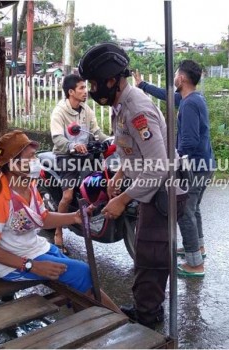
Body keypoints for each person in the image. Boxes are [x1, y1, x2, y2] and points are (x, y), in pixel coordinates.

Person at [78, 43, 187, 329]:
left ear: (111, 80)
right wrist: (120, 175)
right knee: (145, 252)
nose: (91, 89)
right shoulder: (121, 105)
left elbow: (158, 165)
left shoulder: (137, 109)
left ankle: (148, 319)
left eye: (93, 83)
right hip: (151, 185)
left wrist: (123, 198)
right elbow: (134, 150)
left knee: (150, 257)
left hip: (164, 189)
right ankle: (148, 308)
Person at [0, 130, 121, 313]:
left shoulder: (28, 185)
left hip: (36, 249)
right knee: (83, 273)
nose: (36, 162)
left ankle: (118, 320)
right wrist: (32, 266)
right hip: (14, 263)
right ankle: (117, 321)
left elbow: (43, 218)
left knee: (84, 280)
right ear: (13, 163)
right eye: (30, 157)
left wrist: (74, 217)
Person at [133, 60, 215, 277]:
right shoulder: (192, 98)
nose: (173, 80)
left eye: (176, 75)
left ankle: (194, 265)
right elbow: (166, 95)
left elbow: (189, 142)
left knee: (185, 212)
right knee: (193, 208)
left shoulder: (189, 104)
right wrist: (142, 85)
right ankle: (198, 249)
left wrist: (173, 161)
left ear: (182, 79)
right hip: (205, 165)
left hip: (194, 167)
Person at [50, 74, 108, 255]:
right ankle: (58, 232)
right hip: (66, 156)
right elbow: (58, 138)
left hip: (87, 153)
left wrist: (111, 141)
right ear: (70, 92)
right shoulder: (59, 111)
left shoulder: (86, 109)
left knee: (104, 181)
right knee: (67, 196)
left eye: (85, 87)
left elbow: (96, 132)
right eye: (82, 88)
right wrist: (72, 146)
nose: (86, 91)